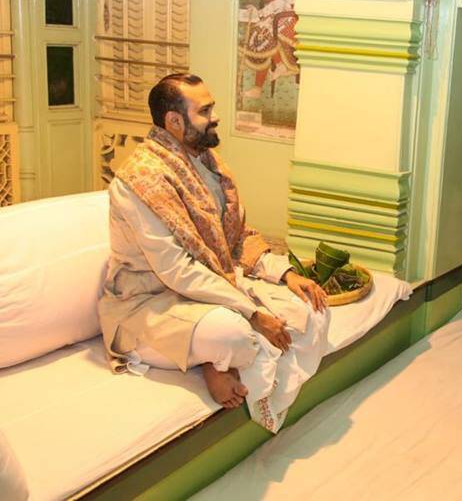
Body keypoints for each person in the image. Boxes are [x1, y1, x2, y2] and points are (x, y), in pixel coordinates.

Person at [97, 73, 329, 432]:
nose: (215, 116)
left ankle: (219, 363)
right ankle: (216, 362)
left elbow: (234, 239)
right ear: (174, 122)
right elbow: (176, 270)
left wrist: (287, 275)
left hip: (212, 287)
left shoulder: (208, 163)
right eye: (205, 110)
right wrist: (252, 313)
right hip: (151, 303)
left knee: (308, 311)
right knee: (235, 334)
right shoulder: (140, 181)